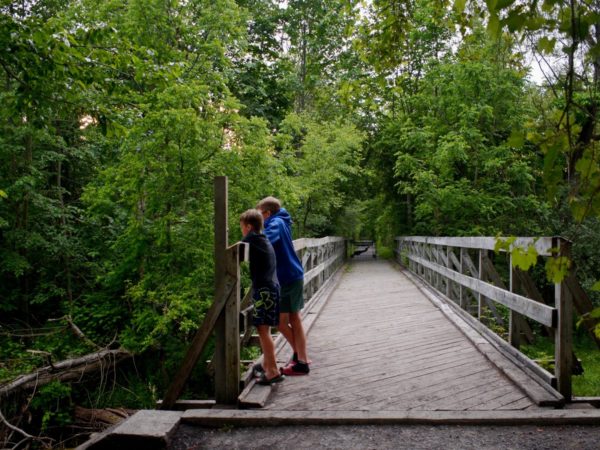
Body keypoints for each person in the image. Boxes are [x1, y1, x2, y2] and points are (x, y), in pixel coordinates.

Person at [256, 197, 310, 375]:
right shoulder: (282, 220)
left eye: (260, 214)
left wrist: (251, 239)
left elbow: (267, 239)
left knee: (283, 321)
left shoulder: (276, 223)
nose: (259, 219)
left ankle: (302, 360)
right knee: (293, 319)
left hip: (287, 277)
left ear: (268, 213)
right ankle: (300, 357)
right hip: (291, 275)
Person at [239, 209, 285, 385]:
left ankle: (272, 371)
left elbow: (235, 248)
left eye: (242, 227)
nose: (242, 231)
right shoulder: (263, 238)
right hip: (272, 287)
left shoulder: (251, 238)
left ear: (249, 227)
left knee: (263, 330)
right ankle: (267, 365)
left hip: (265, 290)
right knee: (265, 330)